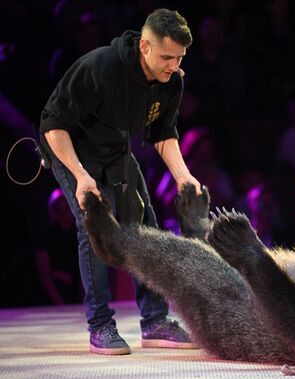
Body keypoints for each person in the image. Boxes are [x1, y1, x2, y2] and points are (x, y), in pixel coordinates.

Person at [38, 8, 202, 356]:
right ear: (145, 46)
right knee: (94, 229)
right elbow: (54, 124)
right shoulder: (99, 68)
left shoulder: (171, 80)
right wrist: (81, 177)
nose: (174, 66)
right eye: (167, 56)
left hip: (115, 151)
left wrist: (182, 175)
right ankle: (100, 325)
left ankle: (155, 321)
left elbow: (163, 132)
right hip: (71, 151)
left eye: (179, 58)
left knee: (145, 228)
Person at [34, 188, 81, 306]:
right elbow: (45, 275)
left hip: (76, 296)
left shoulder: (79, 238)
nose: (64, 213)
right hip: (55, 296)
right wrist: (59, 303)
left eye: (67, 208)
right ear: (53, 211)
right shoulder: (45, 240)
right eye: (59, 209)